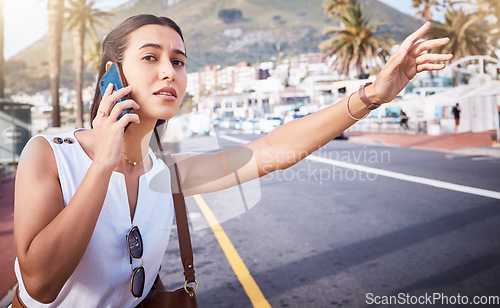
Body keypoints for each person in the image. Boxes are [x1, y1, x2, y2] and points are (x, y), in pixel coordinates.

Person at [13, 14, 453, 307]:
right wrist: (103, 163)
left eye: (179, 61)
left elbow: (269, 152)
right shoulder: (49, 154)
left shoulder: (169, 173)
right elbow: (41, 284)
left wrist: (372, 95)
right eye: (151, 57)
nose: (170, 71)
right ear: (113, 73)